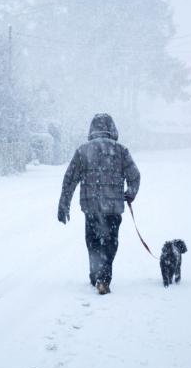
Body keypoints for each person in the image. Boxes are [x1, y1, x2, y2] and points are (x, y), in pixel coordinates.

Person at [57, 113, 141, 295]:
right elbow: (134, 176)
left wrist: (64, 204)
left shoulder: (83, 151)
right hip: (113, 208)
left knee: (93, 241)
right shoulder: (121, 151)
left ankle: (96, 275)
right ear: (112, 128)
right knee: (110, 242)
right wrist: (130, 194)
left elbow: (70, 179)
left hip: (92, 208)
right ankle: (103, 278)